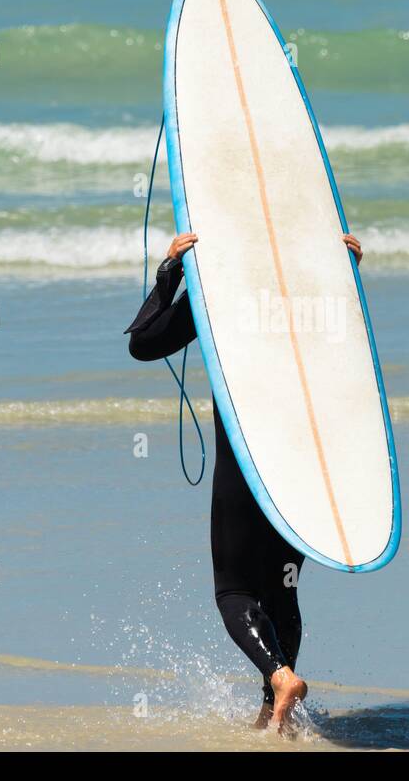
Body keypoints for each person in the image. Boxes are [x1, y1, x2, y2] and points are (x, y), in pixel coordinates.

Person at [125, 230, 364, 733]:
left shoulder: (222, 289)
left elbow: (144, 344)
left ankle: (279, 677)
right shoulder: (313, 288)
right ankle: (273, 707)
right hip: (303, 458)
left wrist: (170, 271)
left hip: (247, 456)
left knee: (234, 589)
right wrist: (346, 275)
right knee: (283, 587)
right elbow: (348, 357)